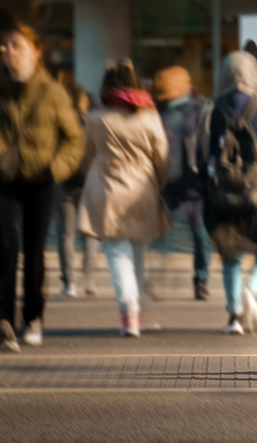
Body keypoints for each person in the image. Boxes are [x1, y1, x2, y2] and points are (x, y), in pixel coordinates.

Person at [0, 20, 84, 352]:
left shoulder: (53, 93)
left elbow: (75, 140)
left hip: (38, 182)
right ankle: (4, 322)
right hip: (0, 181)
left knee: (33, 253)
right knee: (5, 249)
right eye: (6, 47)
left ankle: (33, 318)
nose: (9, 52)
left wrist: (54, 169)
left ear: (36, 52)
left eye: (17, 46)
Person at [78, 59, 170, 337]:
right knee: (138, 251)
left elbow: (85, 155)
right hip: (142, 190)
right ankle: (138, 307)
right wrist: (158, 184)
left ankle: (129, 311)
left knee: (117, 252)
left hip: (107, 192)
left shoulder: (96, 117)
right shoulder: (150, 116)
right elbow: (162, 158)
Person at [205, 51, 257, 335]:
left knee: (231, 255)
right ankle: (251, 291)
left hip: (224, 192)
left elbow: (209, 150)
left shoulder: (216, 108)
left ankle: (235, 318)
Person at [153, 66, 214, 301]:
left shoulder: (199, 109)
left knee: (199, 233)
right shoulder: (160, 111)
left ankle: (200, 279)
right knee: (163, 230)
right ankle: (159, 277)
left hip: (193, 184)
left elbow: (206, 145)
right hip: (168, 182)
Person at [54, 85, 100, 297]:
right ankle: (89, 280)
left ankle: (69, 283)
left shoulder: (59, 122)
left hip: (64, 182)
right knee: (91, 232)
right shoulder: (95, 122)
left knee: (66, 234)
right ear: (86, 102)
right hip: (90, 182)